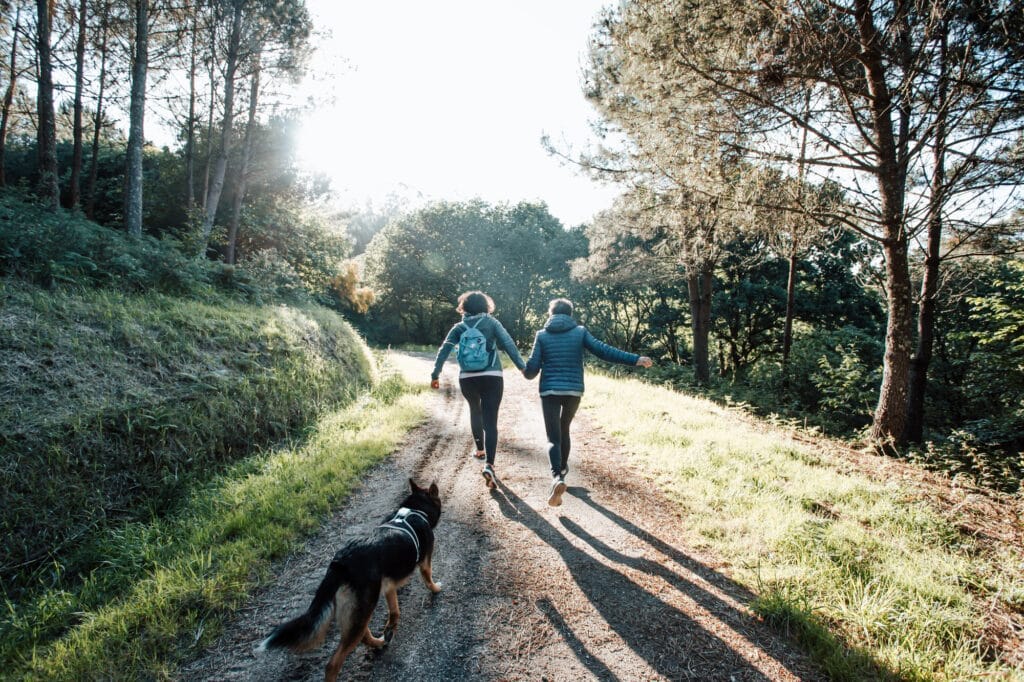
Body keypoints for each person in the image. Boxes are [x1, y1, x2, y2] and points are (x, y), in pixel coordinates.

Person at [523, 298, 653, 506]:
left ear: (551, 314)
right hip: (573, 390)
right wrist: (635, 359)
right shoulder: (580, 332)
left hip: (549, 391)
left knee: (553, 437)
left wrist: (523, 366)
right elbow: (604, 351)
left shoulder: (542, 335)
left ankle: (557, 477)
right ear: (570, 314)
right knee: (564, 428)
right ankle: (563, 468)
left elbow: (531, 371)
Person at [431, 291, 526, 488]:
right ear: (486, 306)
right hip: (492, 376)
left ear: (463, 308)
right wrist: (522, 367)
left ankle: (480, 449)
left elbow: (444, 350)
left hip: (468, 378)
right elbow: (508, 344)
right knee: (491, 420)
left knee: (475, 411)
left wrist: (435, 375)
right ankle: (489, 464)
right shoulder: (492, 323)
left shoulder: (458, 327)